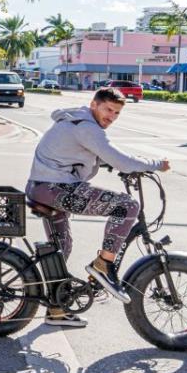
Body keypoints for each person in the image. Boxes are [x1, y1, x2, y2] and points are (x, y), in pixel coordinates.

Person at [26, 87, 169, 328]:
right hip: (56, 188)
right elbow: (120, 160)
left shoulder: (77, 121)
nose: (111, 117)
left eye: (116, 113)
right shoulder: (87, 127)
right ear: (94, 104)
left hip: (43, 186)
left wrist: (113, 164)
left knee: (61, 248)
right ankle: (103, 264)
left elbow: (98, 155)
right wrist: (155, 164)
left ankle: (57, 309)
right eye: (108, 110)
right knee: (127, 206)